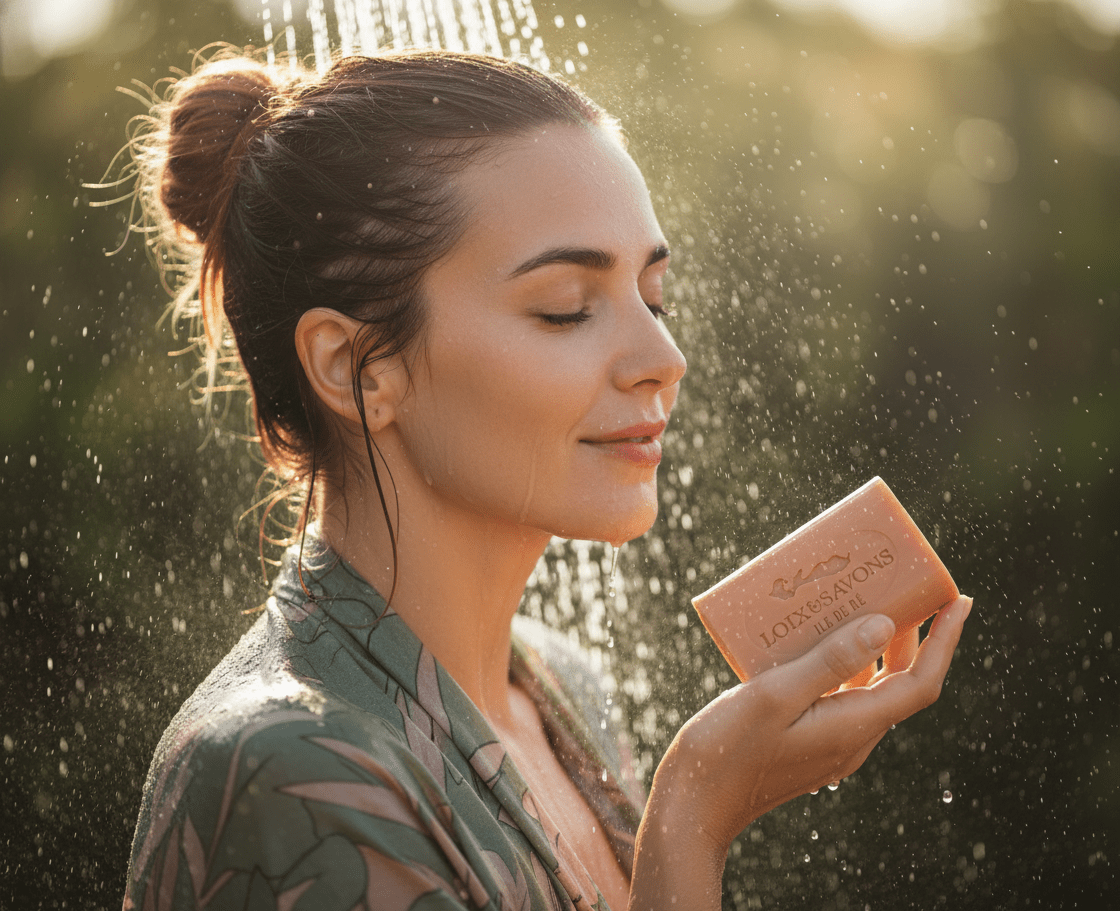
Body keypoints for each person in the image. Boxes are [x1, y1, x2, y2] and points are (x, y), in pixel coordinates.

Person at [119, 47, 971, 911]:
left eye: (654, 296)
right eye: (566, 307)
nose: (663, 359)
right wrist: (692, 820)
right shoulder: (287, 769)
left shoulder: (564, 692)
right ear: (354, 370)